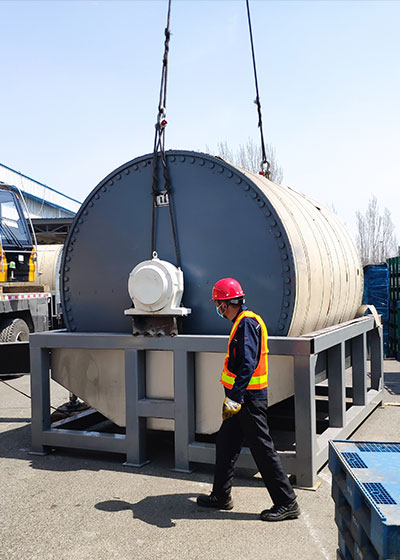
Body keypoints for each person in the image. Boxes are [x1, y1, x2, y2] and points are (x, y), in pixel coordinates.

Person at [197, 277, 300, 522]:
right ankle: (221, 496)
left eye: (219, 304)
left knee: (262, 449)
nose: (219, 309)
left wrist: (234, 396)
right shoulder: (242, 322)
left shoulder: (246, 324)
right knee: (225, 444)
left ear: (226, 303)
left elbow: (247, 363)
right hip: (243, 398)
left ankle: (287, 502)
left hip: (247, 400)